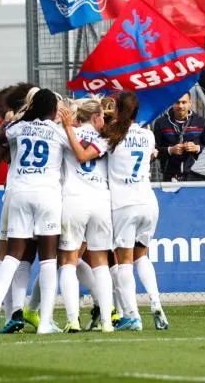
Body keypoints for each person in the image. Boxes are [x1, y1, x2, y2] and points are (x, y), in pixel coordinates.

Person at [0, 89, 68, 335]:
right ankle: (45, 322)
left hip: (19, 192)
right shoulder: (58, 132)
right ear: (53, 110)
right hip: (47, 195)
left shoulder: (19, 128)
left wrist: (16, 119)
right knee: (49, 258)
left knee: (13, 255)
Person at [89, 92, 165, 331]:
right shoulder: (148, 135)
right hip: (148, 202)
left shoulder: (111, 135)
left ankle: (132, 315)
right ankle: (156, 303)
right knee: (142, 256)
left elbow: (94, 145)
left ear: (118, 110)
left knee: (124, 263)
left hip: (124, 204)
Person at [55, 97, 116, 333]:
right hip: (101, 202)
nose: (104, 120)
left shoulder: (64, 134)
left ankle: (72, 320)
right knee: (101, 264)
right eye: (102, 115)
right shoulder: (106, 138)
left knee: (68, 263)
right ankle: (108, 322)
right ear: (95, 117)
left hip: (74, 201)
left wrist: (66, 125)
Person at [152, 93, 205, 181]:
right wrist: (170, 150)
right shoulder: (160, 123)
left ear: (190, 103)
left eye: (184, 102)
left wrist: (197, 148)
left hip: (195, 175)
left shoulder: (201, 122)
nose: (180, 106)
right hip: (169, 174)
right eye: (177, 102)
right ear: (172, 103)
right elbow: (154, 150)